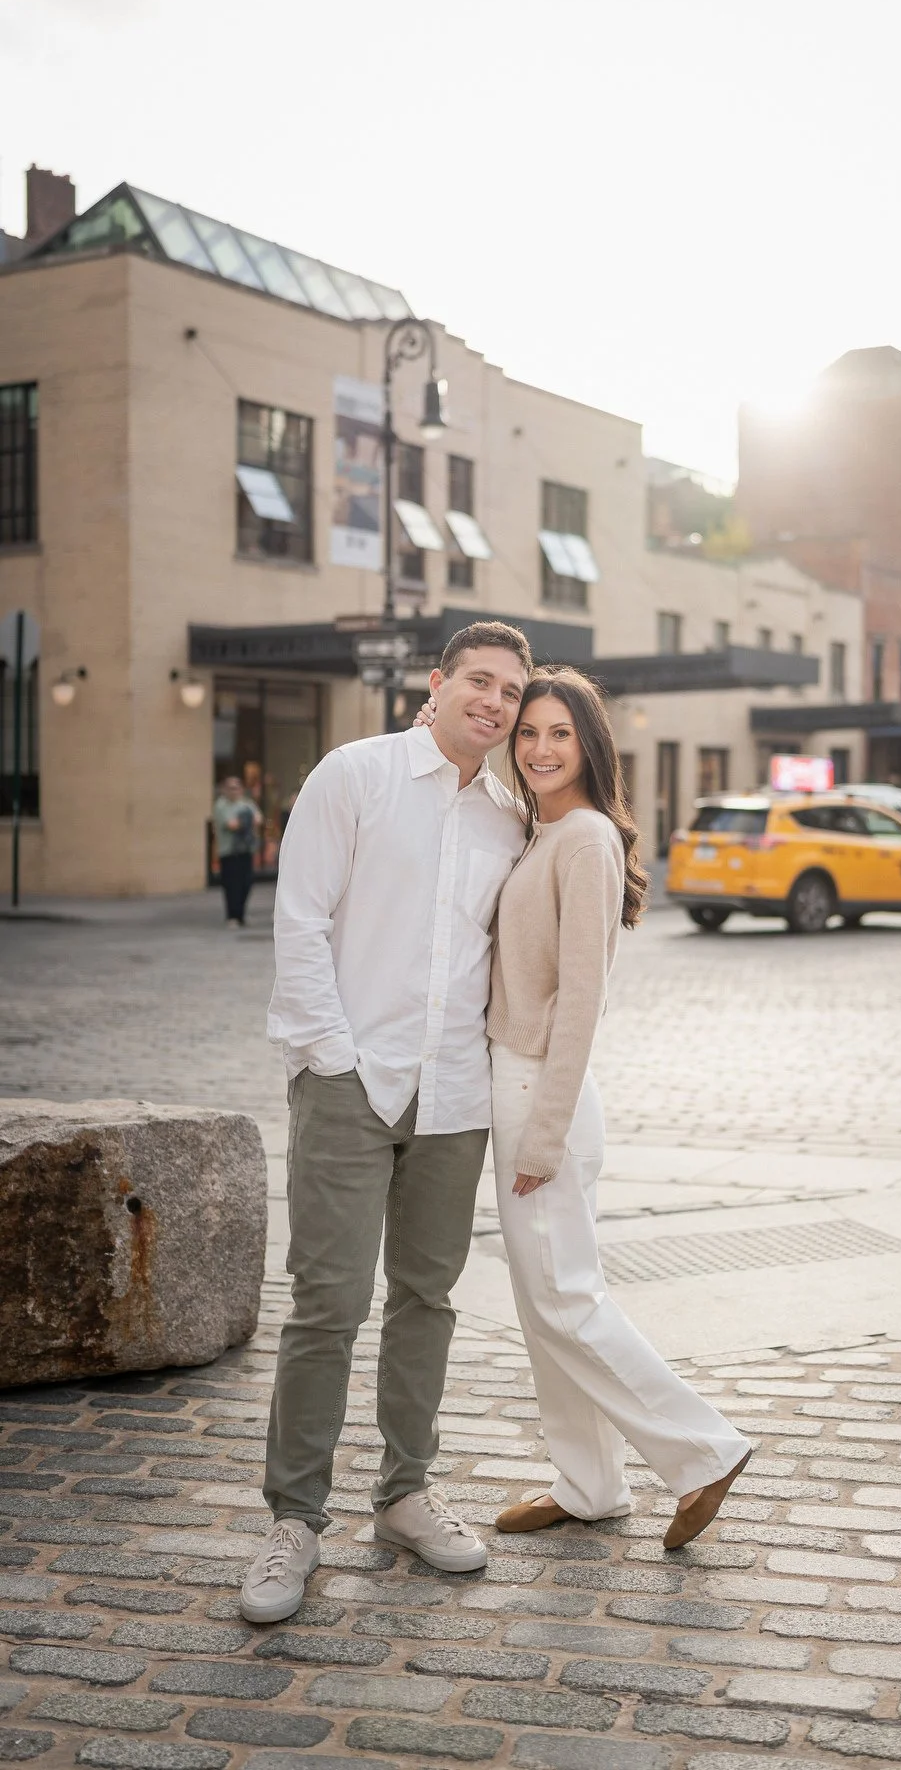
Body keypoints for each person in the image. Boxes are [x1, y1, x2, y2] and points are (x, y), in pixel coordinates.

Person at [239, 621, 532, 1625]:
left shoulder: (510, 817)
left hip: (456, 1095)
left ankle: (405, 1492)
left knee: (429, 1297)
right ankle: (294, 1520)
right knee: (328, 1299)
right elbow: (300, 919)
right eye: (479, 683)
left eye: (510, 693)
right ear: (438, 684)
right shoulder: (353, 774)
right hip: (350, 1084)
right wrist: (336, 1059)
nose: (493, 704)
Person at [420, 667, 752, 1545]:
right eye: (526, 732)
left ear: (590, 745)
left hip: (542, 1090)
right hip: (516, 1083)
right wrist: (437, 718)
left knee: (565, 1297)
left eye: (559, 734)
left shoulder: (585, 840)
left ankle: (703, 1449)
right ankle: (589, 1483)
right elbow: (470, 782)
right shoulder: (543, 827)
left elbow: (582, 1000)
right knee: (544, 1301)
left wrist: (544, 1131)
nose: (537, 748)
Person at [212, 776, 262, 929]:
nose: (235, 791)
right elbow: (231, 824)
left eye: (237, 787)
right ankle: (232, 916)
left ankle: (241, 915)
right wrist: (246, 820)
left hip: (246, 850)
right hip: (229, 852)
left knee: (246, 884)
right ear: (225, 790)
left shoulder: (247, 803)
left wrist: (244, 821)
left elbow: (258, 819)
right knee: (231, 885)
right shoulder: (221, 805)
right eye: (231, 788)